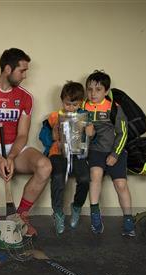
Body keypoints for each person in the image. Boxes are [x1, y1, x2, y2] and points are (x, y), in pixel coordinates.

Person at [0, 48, 51, 236]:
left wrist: (11, 156)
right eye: (22, 70)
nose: (25, 75)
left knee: (45, 166)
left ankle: (20, 216)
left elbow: (23, 135)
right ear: (7, 69)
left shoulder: (26, 97)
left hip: (15, 148)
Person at [84, 70, 135, 237]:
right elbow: (77, 134)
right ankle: (95, 216)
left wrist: (115, 154)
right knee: (95, 174)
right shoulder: (82, 108)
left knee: (121, 185)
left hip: (115, 152)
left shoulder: (114, 108)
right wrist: (88, 135)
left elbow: (123, 133)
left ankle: (128, 220)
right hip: (95, 151)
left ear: (106, 91)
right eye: (90, 89)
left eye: (98, 89)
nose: (93, 93)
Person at [46, 81, 90, 234]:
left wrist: (91, 132)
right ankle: (57, 212)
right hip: (58, 153)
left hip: (78, 154)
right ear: (62, 101)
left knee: (85, 179)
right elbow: (46, 136)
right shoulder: (53, 116)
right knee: (58, 178)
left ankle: (76, 206)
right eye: (67, 104)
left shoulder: (84, 116)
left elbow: (91, 137)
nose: (71, 108)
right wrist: (55, 132)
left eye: (75, 105)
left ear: (81, 103)